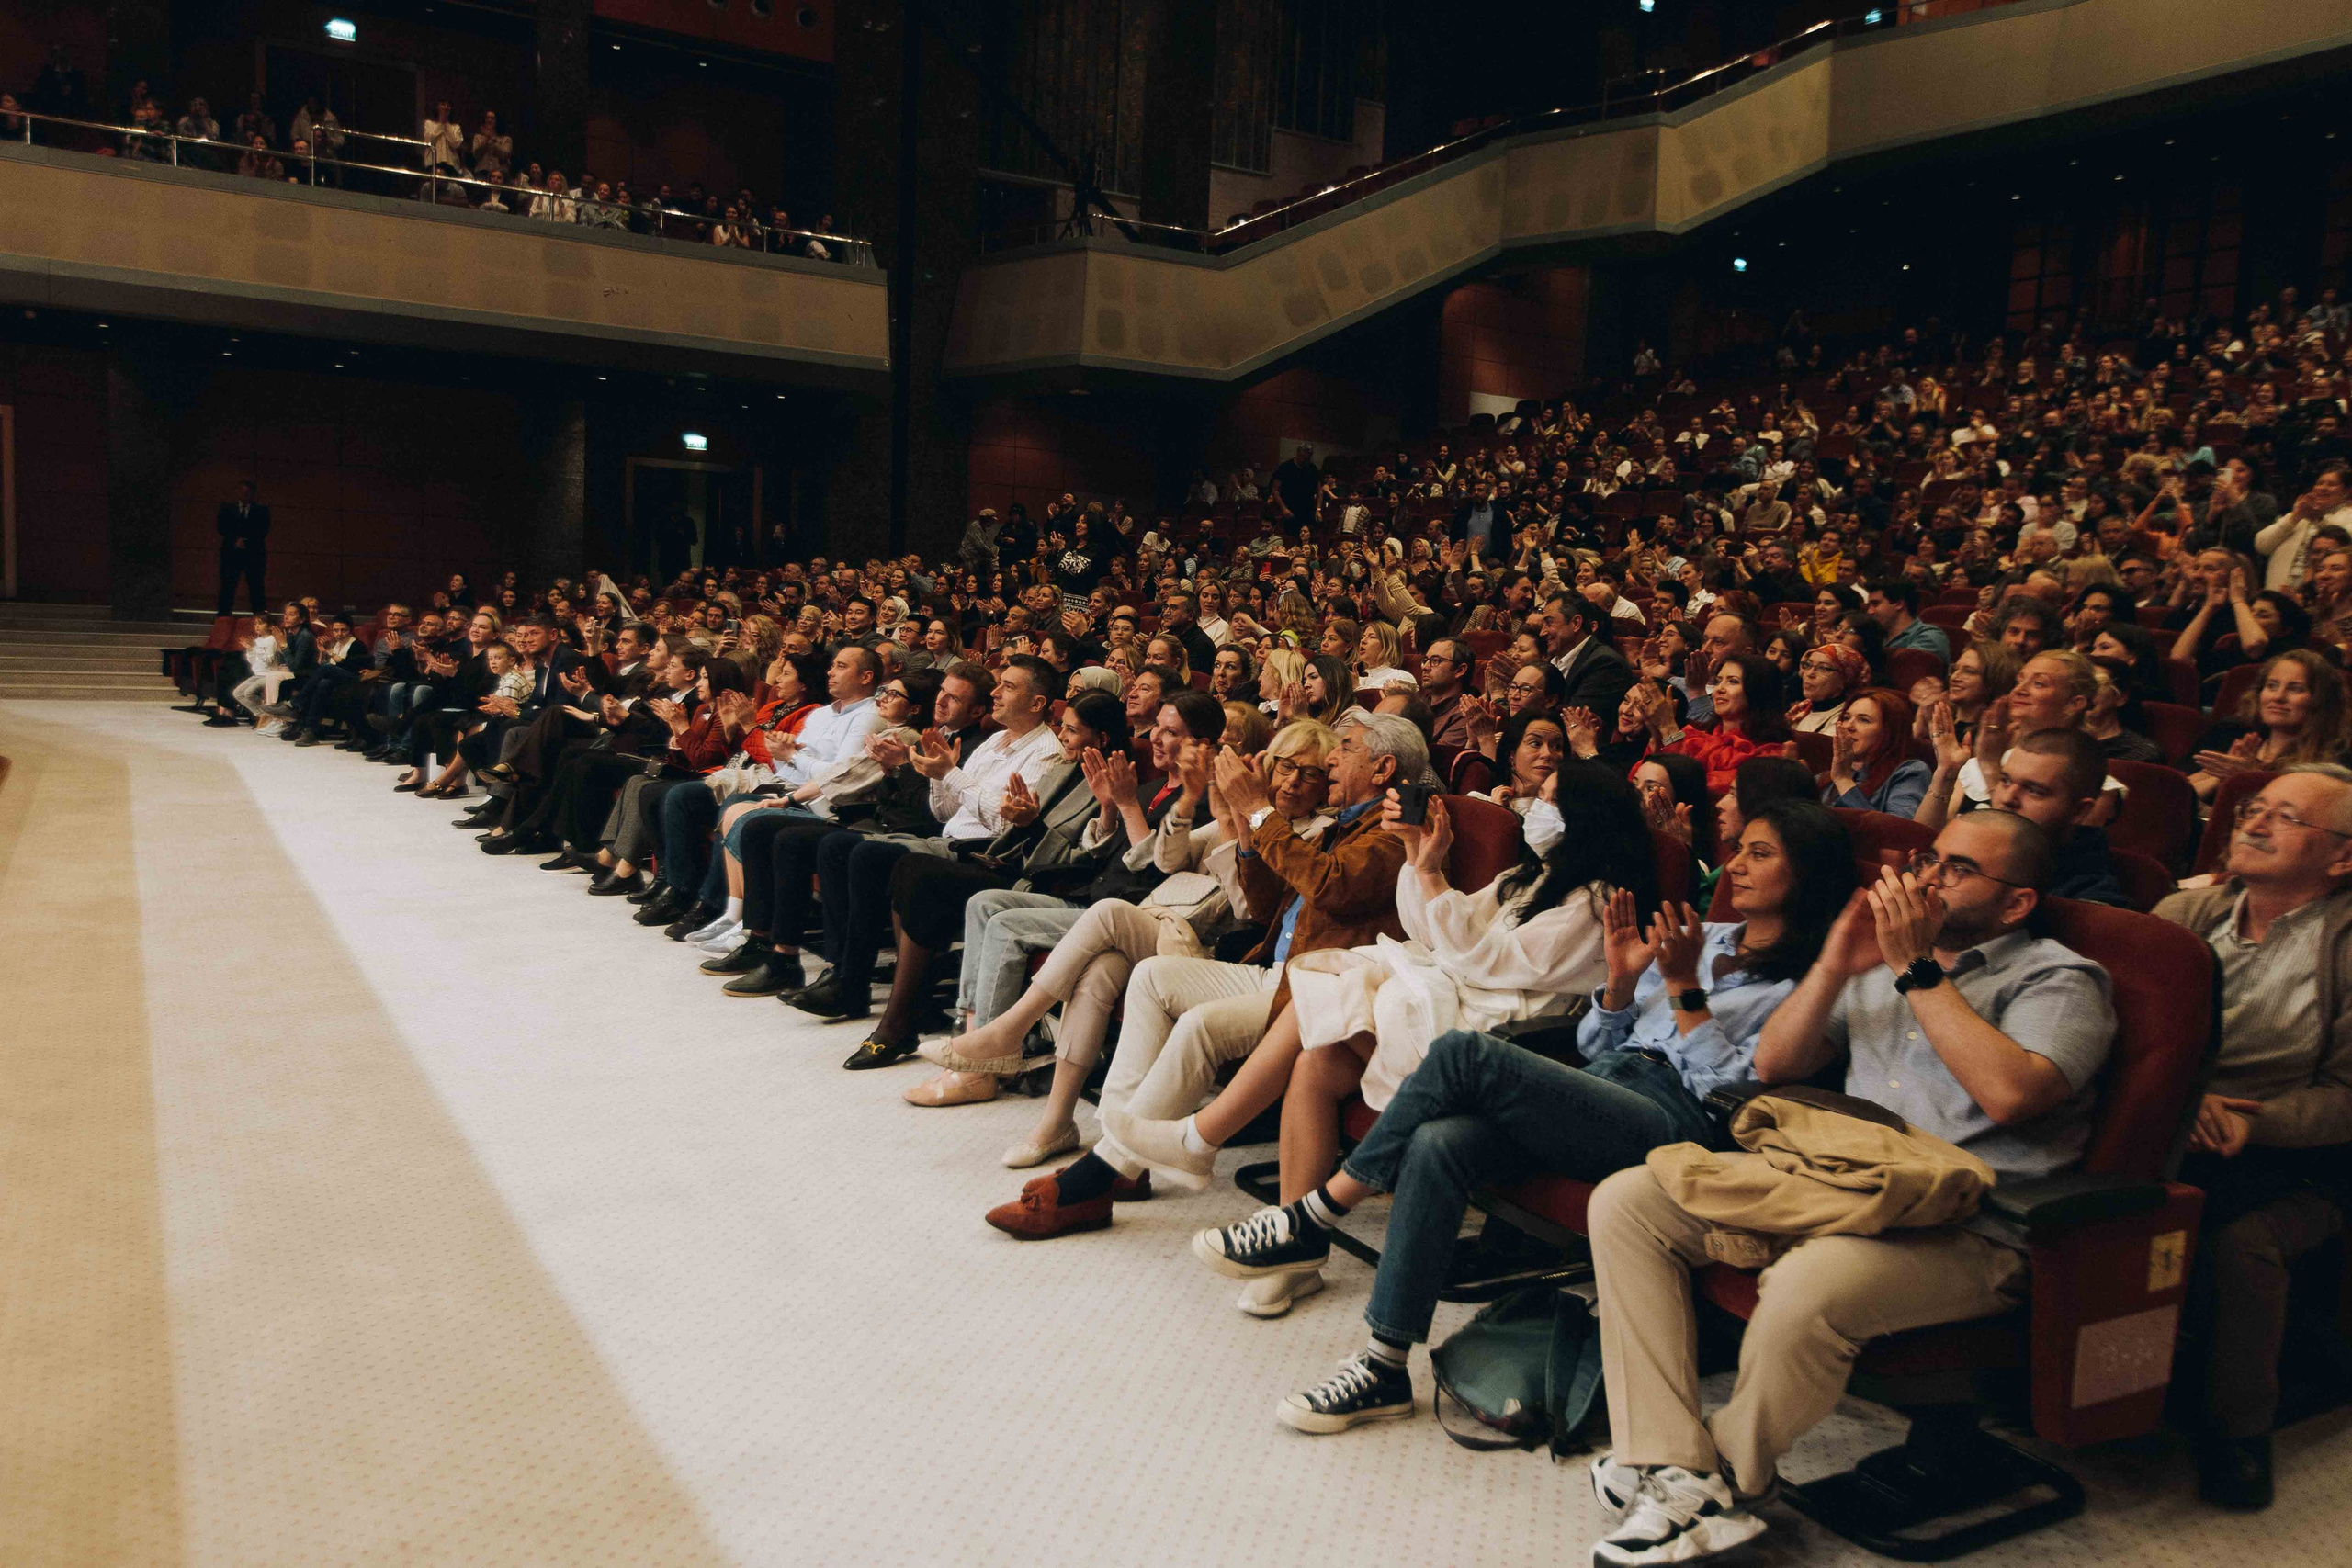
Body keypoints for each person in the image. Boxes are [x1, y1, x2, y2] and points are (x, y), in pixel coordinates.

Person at [1584, 810, 2116, 1566]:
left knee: (1805, 1284)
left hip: (1974, 1228)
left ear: (2016, 903)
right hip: (1838, 1179)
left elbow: (2011, 1094)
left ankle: (1721, 1480)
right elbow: (1777, 1064)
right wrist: (1837, 961)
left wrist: (1918, 971)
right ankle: (1672, 1460)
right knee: (1631, 1201)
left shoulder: (2057, 976)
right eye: (1930, 858)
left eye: (1958, 868)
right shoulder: (1882, 961)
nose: (1929, 876)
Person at [1216, 800, 1855, 1424]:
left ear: (1806, 873)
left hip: (1680, 1125)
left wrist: (1685, 989)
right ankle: (1383, 1365)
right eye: (1740, 849)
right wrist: (1622, 987)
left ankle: (1313, 1215)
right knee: (1440, 1142)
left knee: (1464, 1054)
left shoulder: (1811, 985)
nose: (1736, 863)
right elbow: (1598, 1044)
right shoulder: (1702, 934)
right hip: (1605, 1086)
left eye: (1759, 853)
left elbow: (1736, 1091)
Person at [983, 715, 1425, 1239]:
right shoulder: (1344, 820)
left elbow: (1332, 888)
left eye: (1344, 749)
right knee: (1151, 976)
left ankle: (1097, 1175)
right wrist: (1244, 826)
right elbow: (1263, 909)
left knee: (1200, 1024)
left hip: (1316, 986)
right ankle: (1123, 1157)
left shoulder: (1394, 829)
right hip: (1275, 971)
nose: (1331, 760)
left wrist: (1259, 812)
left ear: (1383, 767)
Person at [2156, 765, 2352, 1511]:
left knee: (2237, 1237)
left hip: (2299, 1148)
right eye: (2253, 808)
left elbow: (2346, 1096)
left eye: (2286, 817)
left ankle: (2239, 1430)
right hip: (2173, 1116)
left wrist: (2253, 1119)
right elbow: (2125, 1032)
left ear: (2342, 857)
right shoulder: (2185, 909)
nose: (2255, 823)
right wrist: (2184, 1098)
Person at [2185, 649, 2351, 804]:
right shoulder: (2230, 732)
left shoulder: (2336, 757)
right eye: (2272, 686)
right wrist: (2216, 780)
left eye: (2295, 689)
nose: (2278, 697)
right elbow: (2176, 797)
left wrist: (2252, 779)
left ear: (2321, 700)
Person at [1824, 688, 1930, 818]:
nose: (1848, 726)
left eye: (1863, 720)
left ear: (1889, 731)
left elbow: (1897, 832)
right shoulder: (1831, 771)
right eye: (1846, 718)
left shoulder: (1910, 771)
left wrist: (1843, 781)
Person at [215, 480, 271, 617]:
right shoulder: (227, 508)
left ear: (253, 494)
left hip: (253, 554)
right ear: (238, 492)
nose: (245, 495)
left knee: (256, 586)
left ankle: (260, 617)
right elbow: (221, 527)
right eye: (242, 492)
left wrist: (246, 541)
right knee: (228, 585)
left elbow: (263, 530)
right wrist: (235, 539)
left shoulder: (262, 510)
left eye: (248, 492)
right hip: (231, 553)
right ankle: (223, 616)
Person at [1865, 577, 1951, 662]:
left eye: (1875, 604)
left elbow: (1906, 668)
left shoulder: (1930, 636)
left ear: (1899, 604)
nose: (1869, 611)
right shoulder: (1875, 635)